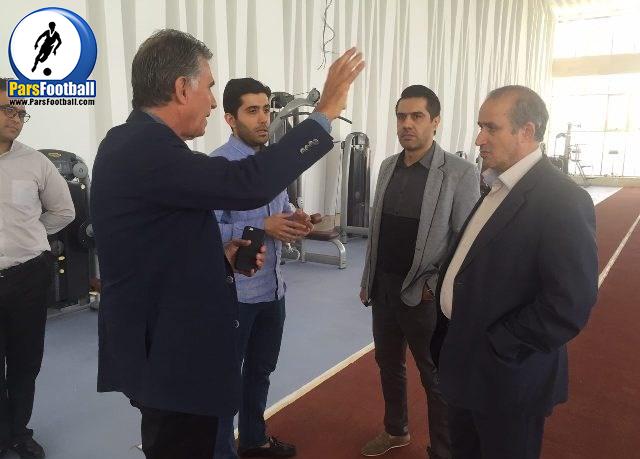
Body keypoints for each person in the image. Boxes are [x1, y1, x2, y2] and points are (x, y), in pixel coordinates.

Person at [90, 29, 363, 459]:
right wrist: (325, 113)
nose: (213, 102)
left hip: (164, 344)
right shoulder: (146, 148)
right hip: (170, 354)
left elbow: (160, 242)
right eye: (210, 87)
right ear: (183, 89)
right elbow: (248, 183)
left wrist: (218, 256)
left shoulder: (135, 144)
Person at [432, 85, 598, 459]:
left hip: (508, 378)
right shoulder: (498, 185)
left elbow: (569, 304)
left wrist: (500, 343)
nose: (479, 139)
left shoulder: (562, 200)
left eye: (491, 128)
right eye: (480, 127)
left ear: (526, 131)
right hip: (467, 368)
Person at [359, 85, 480, 458]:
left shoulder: (460, 173)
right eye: (401, 116)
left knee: (435, 377)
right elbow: (378, 231)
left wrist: (435, 285)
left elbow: (467, 242)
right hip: (384, 289)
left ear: (435, 121)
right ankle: (396, 430)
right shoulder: (387, 167)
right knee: (388, 365)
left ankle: (444, 450)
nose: (407, 124)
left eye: (417, 116)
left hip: (425, 295)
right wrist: (368, 279)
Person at [212, 78, 312, 459]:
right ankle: (222, 452)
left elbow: (281, 209)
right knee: (224, 381)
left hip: (273, 289)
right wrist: (262, 227)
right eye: (252, 111)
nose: (263, 119)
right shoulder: (218, 166)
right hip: (235, 295)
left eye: (266, 109)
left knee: (260, 371)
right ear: (230, 118)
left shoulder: (271, 165)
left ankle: (254, 439)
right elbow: (207, 229)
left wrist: (296, 219)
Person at [0, 78, 75, 459]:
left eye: (21, 112)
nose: (16, 118)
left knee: (25, 361)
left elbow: (64, 210)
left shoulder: (35, 162)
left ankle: (19, 433)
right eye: (7, 110)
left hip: (26, 275)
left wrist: (31, 234)